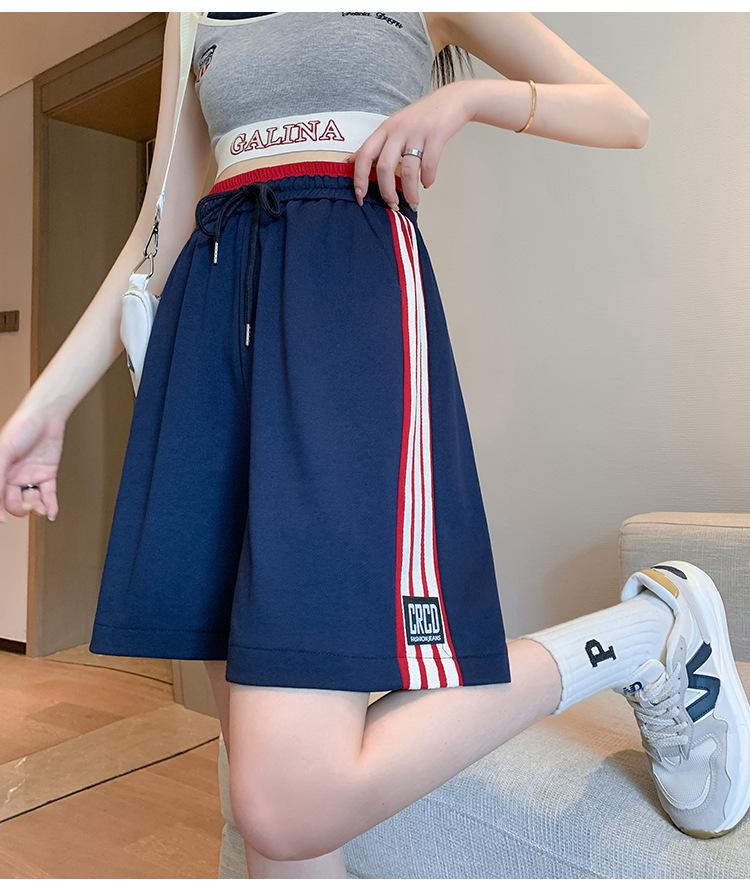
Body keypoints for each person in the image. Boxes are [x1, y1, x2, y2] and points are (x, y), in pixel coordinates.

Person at [1, 10, 748, 879]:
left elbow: (623, 114)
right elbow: (159, 233)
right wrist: (44, 408)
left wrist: (467, 100)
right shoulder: (193, 13)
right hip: (210, 340)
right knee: (266, 801)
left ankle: (642, 636)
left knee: (288, 801)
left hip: (345, 326)